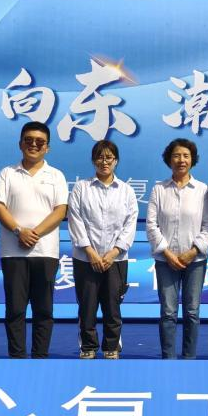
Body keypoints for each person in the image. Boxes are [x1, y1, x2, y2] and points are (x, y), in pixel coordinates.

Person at [0, 121, 69, 359]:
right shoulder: (7, 173)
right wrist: (18, 231)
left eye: (40, 142)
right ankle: (17, 357)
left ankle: (40, 357)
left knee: (43, 309)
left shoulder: (56, 176)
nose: (34, 145)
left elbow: (60, 211)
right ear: (20, 144)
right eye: (29, 140)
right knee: (15, 308)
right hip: (14, 252)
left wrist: (34, 233)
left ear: (47, 147)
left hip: (45, 252)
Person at [67, 139, 138, 359]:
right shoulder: (81, 188)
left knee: (113, 306)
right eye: (99, 157)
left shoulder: (126, 191)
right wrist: (90, 252)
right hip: (85, 258)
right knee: (87, 306)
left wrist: (114, 252)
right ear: (93, 160)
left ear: (116, 161)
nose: (104, 162)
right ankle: (88, 346)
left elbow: (130, 224)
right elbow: (75, 220)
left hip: (116, 260)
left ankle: (111, 346)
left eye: (109, 157)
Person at [145, 138, 208, 359]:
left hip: (195, 261)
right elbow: (151, 225)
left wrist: (192, 252)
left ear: (193, 160)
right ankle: (168, 358)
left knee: (192, 311)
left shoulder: (202, 190)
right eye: (176, 155)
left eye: (186, 156)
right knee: (168, 312)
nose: (181, 160)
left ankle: (189, 358)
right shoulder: (159, 189)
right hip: (165, 261)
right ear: (169, 160)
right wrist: (166, 252)